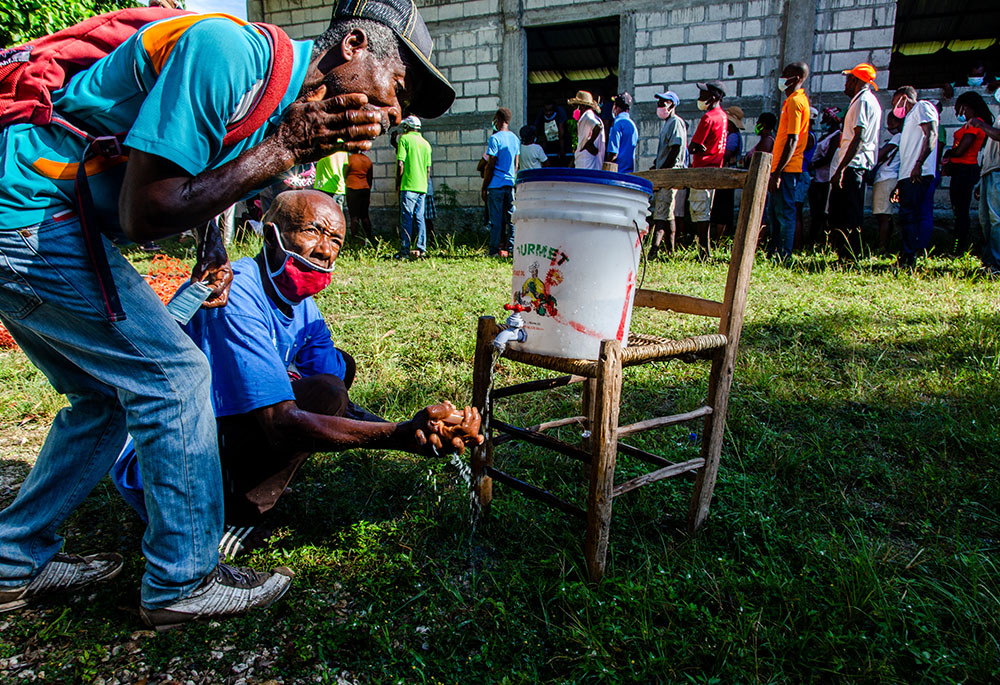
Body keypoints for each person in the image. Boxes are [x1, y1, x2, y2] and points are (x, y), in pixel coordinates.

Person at [0, 0, 455, 627]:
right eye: (397, 87)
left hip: (45, 216)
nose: (395, 114)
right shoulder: (229, 54)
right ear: (353, 46)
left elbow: (204, 156)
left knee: (106, 395)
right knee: (175, 377)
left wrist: (213, 243)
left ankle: (11, 560)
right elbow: (145, 213)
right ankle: (181, 579)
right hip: (29, 214)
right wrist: (283, 148)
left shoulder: (265, 93)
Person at [113, 190, 483, 553]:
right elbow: (282, 422)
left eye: (335, 239)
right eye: (312, 232)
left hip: (213, 434)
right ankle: (233, 514)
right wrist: (397, 435)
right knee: (323, 395)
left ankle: (237, 485)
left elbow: (343, 402)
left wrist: (421, 429)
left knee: (338, 371)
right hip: (169, 466)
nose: (324, 250)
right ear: (272, 236)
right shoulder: (235, 295)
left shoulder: (301, 306)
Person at [827, 63, 881, 258]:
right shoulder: (862, 101)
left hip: (853, 165)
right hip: (852, 164)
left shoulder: (863, 102)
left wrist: (841, 168)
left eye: (848, 80)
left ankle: (851, 255)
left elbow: (858, 137)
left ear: (855, 81)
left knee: (850, 213)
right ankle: (843, 252)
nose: (846, 84)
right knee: (842, 212)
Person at [766, 63, 811, 261]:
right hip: (780, 168)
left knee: (785, 214)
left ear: (797, 78)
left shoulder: (796, 103)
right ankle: (773, 251)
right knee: (775, 214)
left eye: (786, 75)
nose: (782, 79)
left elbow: (793, 139)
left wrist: (778, 173)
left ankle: (784, 255)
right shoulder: (791, 101)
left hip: (787, 169)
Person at [892, 85, 939, 267]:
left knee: (911, 216)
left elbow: (932, 134)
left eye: (896, 102)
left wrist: (919, 164)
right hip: (907, 175)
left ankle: (909, 258)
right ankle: (906, 255)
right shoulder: (910, 118)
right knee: (906, 217)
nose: (896, 107)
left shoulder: (922, 107)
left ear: (904, 97)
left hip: (918, 173)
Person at [943, 92, 991, 254]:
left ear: (969, 107)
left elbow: (962, 149)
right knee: (959, 211)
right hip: (962, 170)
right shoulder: (972, 124)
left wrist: (949, 154)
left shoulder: (975, 124)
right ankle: (958, 247)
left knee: (960, 212)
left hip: (965, 170)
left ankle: (958, 249)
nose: (960, 113)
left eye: (961, 109)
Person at [689, 80, 728, 258]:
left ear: (712, 97)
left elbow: (693, 146)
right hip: (715, 167)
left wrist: (696, 148)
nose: (699, 98)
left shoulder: (708, 117)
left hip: (702, 169)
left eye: (703, 94)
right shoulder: (724, 117)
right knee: (706, 208)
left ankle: (703, 251)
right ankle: (704, 249)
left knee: (699, 211)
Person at [648, 91, 687, 259]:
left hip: (670, 173)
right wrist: (656, 164)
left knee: (661, 213)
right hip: (664, 170)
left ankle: (654, 249)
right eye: (659, 103)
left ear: (672, 105)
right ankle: (670, 250)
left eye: (664, 103)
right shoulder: (668, 123)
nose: (660, 106)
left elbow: (675, 148)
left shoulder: (675, 123)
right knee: (668, 212)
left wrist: (663, 169)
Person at [968, 89, 1000, 274]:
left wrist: (980, 124)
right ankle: (989, 261)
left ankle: (997, 264)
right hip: (990, 171)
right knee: (986, 220)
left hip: (998, 171)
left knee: (996, 220)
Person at [482, 107, 520, 257]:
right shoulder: (515, 139)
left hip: (496, 185)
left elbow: (491, 165)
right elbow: (516, 165)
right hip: (509, 184)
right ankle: (512, 249)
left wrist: (485, 186)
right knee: (511, 219)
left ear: (498, 119)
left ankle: (493, 250)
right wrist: (512, 179)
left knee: (496, 221)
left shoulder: (495, 138)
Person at [395, 115, 432, 259]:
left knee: (406, 217)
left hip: (408, 184)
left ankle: (405, 250)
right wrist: (424, 184)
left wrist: (398, 182)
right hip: (422, 186)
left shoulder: (404, 139)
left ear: (407, 127)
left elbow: (400, 164)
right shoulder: (426, 144)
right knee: (419, 217)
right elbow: (428, 169)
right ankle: (421, 249)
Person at [709, 105, 745, 240]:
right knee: (719, 206)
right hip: (724, 175)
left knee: (723, 207)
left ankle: (719, 238)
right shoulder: (730, 135)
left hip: (727, 176)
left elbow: (725, 155)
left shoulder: (733, 137)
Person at [807, 108, 842, 243]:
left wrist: (813, 165)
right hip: (817, 178)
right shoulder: (825, 135)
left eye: (825, 119)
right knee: (815, 211)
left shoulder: (836, 136)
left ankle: (821, 240)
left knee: (822, 212)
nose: (822, 122)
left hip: (826, 179)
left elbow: (829, 158)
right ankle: (813, 239)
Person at [872, 113, 903, 253]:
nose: (889, 122)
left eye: (892, 119)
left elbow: (881, 154)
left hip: (887, 178)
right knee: (883, 215)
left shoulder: (898, 137)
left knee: (883, 215)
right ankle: (883, 245)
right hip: (886, 178)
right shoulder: (897, 137)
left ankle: (882, 247)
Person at [568, 90, 605, 171]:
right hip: (584, 160)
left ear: (581, 107)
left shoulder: (588, 115)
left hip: (586, 162)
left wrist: (589, 143)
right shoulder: (586, 117)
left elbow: (598, 126)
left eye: (576, 106)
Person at [345, 151, 376, 245]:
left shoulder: (350, 159)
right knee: (365, 216)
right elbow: (370, 177)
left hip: (352, 188)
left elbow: (344, 174)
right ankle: (369, 238)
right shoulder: (367, 160)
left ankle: (354, 239)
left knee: (354, 217)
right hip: (365, 189)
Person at [606, 92, 638, 174]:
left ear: (615, 106)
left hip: (617, 172)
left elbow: (613, 153)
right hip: (629, 172)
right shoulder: (632, 125)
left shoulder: (617, 123)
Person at [534, 100, 568, 166]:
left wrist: (562, 149)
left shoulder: (559, 115)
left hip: (560, 143)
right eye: (546, 111)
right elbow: (540, 134)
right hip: (548, 144)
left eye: (550, 110)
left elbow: (561, 133)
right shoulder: (541, 117)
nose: (548, 113)